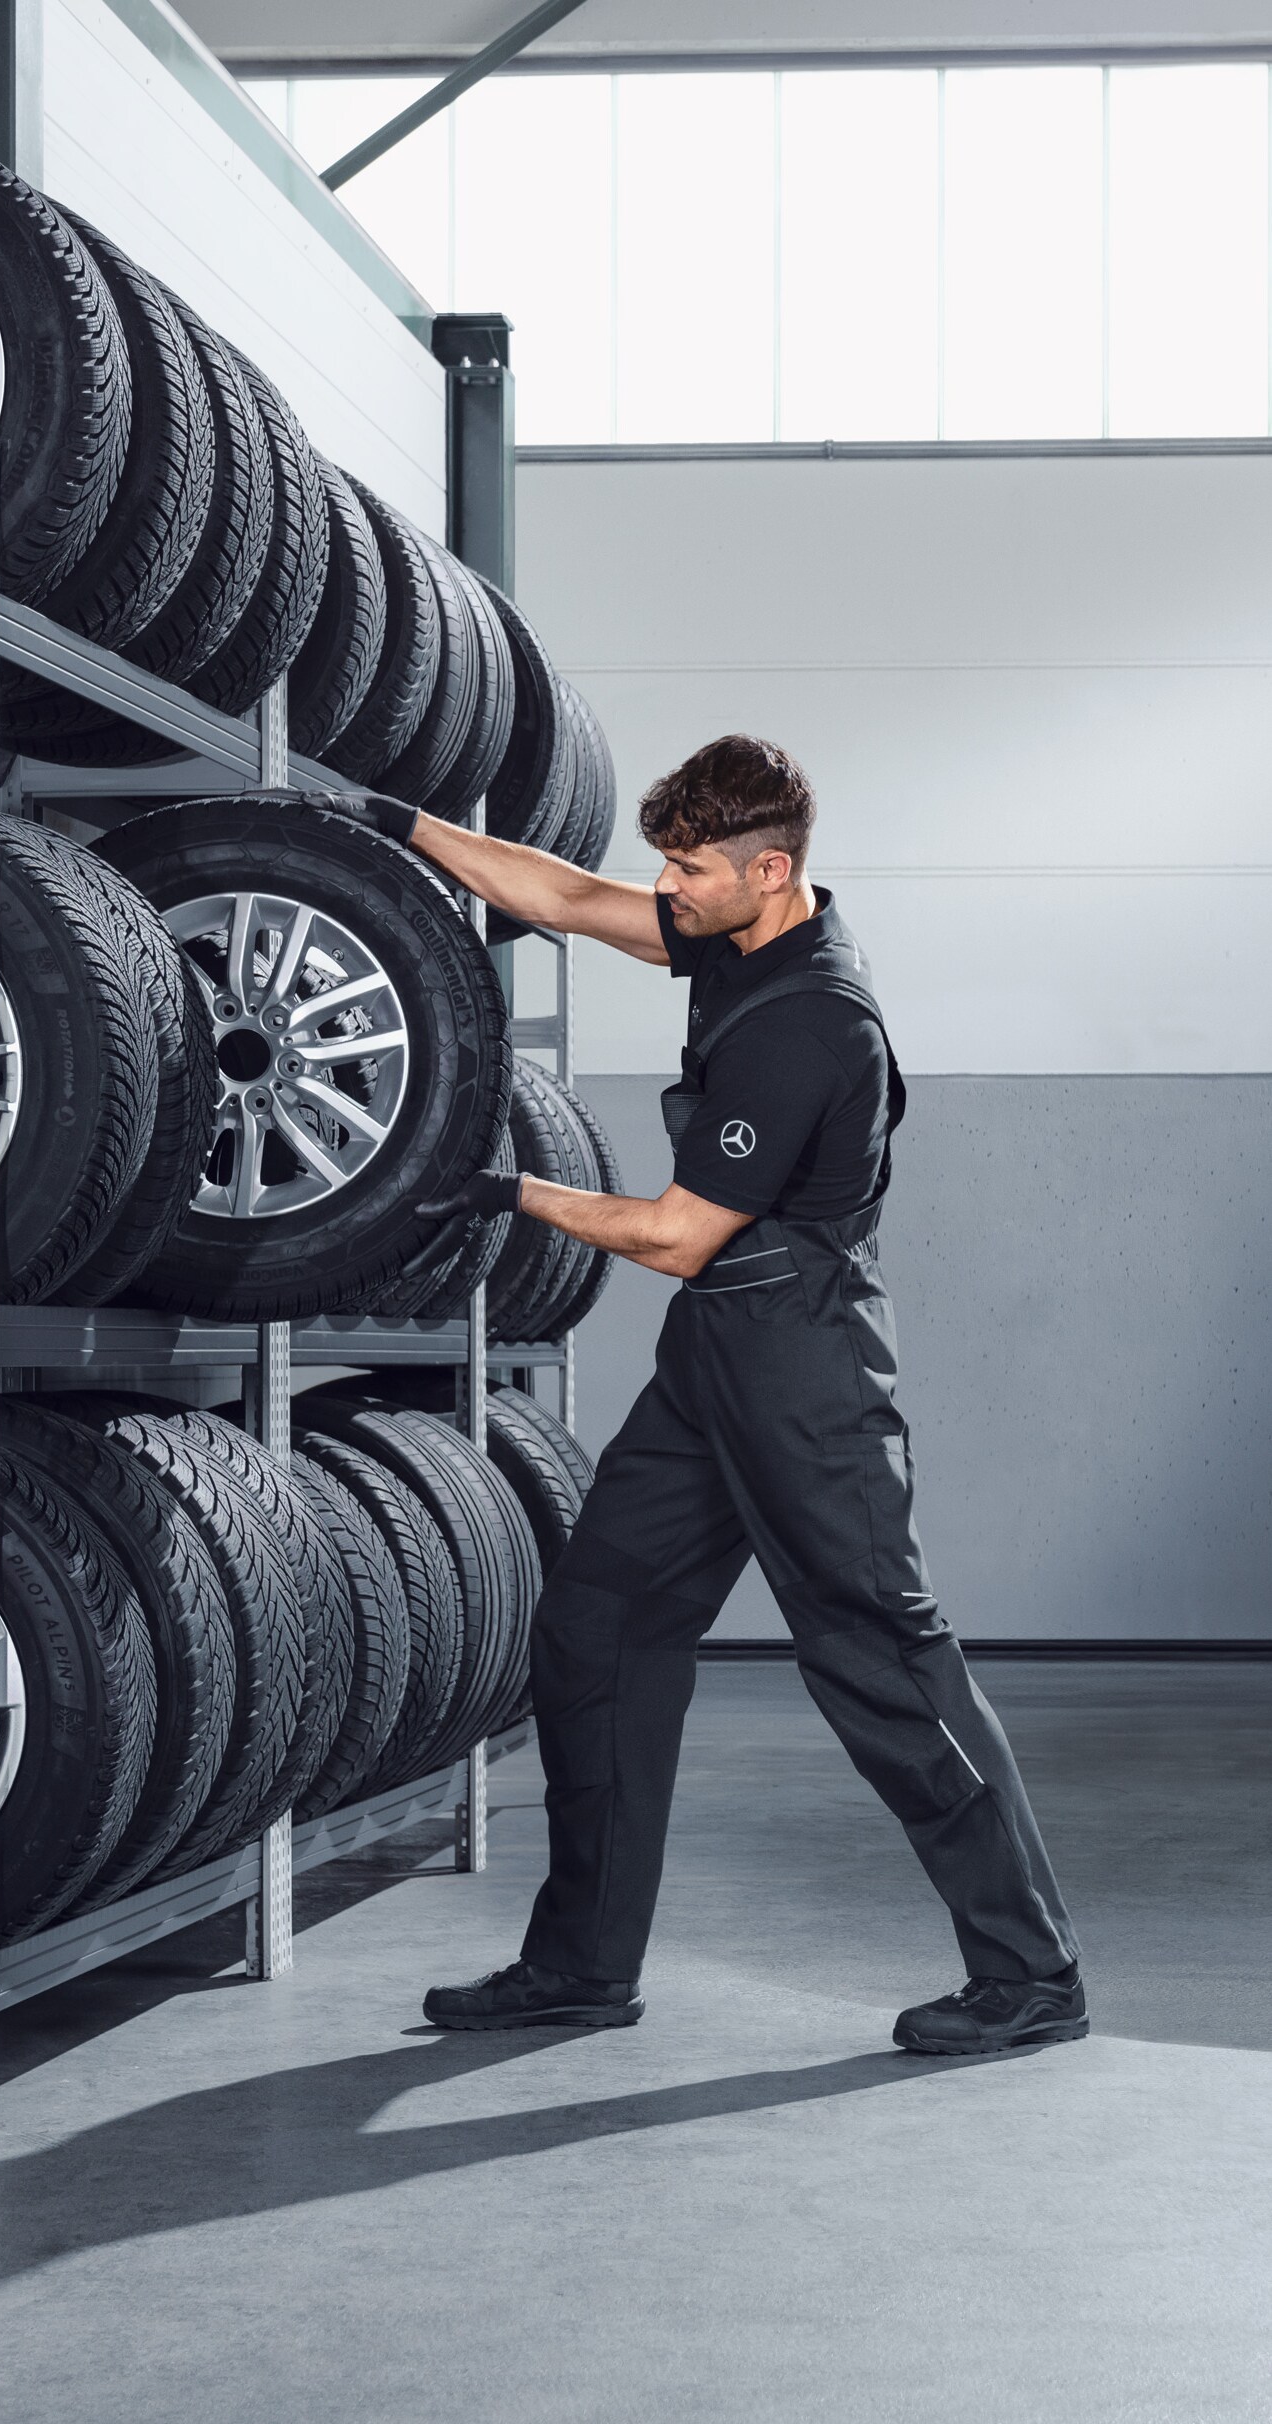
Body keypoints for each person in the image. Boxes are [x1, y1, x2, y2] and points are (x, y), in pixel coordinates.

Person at [314, 737, 1083, 2057]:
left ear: (769, 870)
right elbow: (561, 897)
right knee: (596, 1631)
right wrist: (403, 823)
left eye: (688, 867)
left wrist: (514, 1191)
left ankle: (1031, 1976)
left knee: (882, 1667)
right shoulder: (733, 935)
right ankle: (580, 1967)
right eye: (665, 862)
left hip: (805, 1372)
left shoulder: (810, 1026)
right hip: (714, 1361)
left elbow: (676, 1235)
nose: (664, 887)